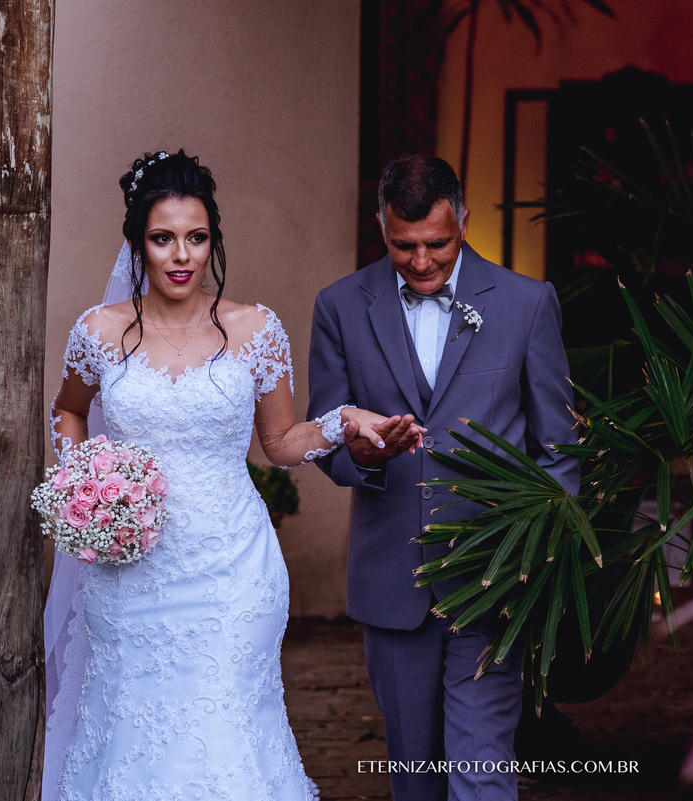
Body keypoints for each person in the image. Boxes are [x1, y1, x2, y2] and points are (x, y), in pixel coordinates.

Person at [41, 150, 422, 801]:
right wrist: (87, 487)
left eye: (196, 237)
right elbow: (68, 413)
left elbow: (279, 442)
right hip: (131, 572)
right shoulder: (99, 332)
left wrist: (341, 423)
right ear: (138, 241)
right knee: (133, 733)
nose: (181, 254)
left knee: (226, 730)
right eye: (163, 238)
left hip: (233, 569)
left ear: (212, 238)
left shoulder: (254, 330)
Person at [307, 155, 579, 800]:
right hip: (392, 578)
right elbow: (325, 436)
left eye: (438, 243)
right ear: (381, 227)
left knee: (481, 764)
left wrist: (539, 543)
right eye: (404, 246)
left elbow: (559, 444)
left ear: (462, 220)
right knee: (414, 775)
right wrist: (364, 457)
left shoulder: (526, 302)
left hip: (494, 577)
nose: (422, 261)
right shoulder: (340, 306)